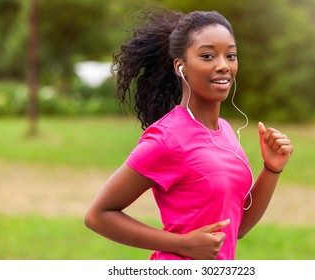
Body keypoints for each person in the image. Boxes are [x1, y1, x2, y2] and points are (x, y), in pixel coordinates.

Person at [85, 9, 293, 260]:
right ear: (180, 66)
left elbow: (237, 227)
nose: (223, 66)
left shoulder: (225, 131)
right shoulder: (167, 138)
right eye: (207, 56)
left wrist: (271, 169)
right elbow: (98, 215)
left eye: (231, 55)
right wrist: (182, 244)